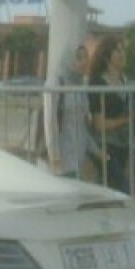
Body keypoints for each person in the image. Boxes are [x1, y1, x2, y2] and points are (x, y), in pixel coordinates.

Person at [87, 34, 135, 194]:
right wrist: (133, 117)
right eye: (117, 51)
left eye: (123, 50)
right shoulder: (97, 83)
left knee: (108, 189)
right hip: (103, 146)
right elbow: (99, 125)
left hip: (122, 144)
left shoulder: (125, 81)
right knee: (122, 188)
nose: (123, 55)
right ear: (107, 56)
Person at [43, 42, 95, 179]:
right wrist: (54, 154)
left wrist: (97, 152)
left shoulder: (81, 85)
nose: (84, 62)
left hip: (77, 158)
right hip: (59, 159)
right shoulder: (55, 82)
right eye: (79, 58)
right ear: (68, 59)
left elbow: (83, 124)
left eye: (86, 58)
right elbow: (50, 121)